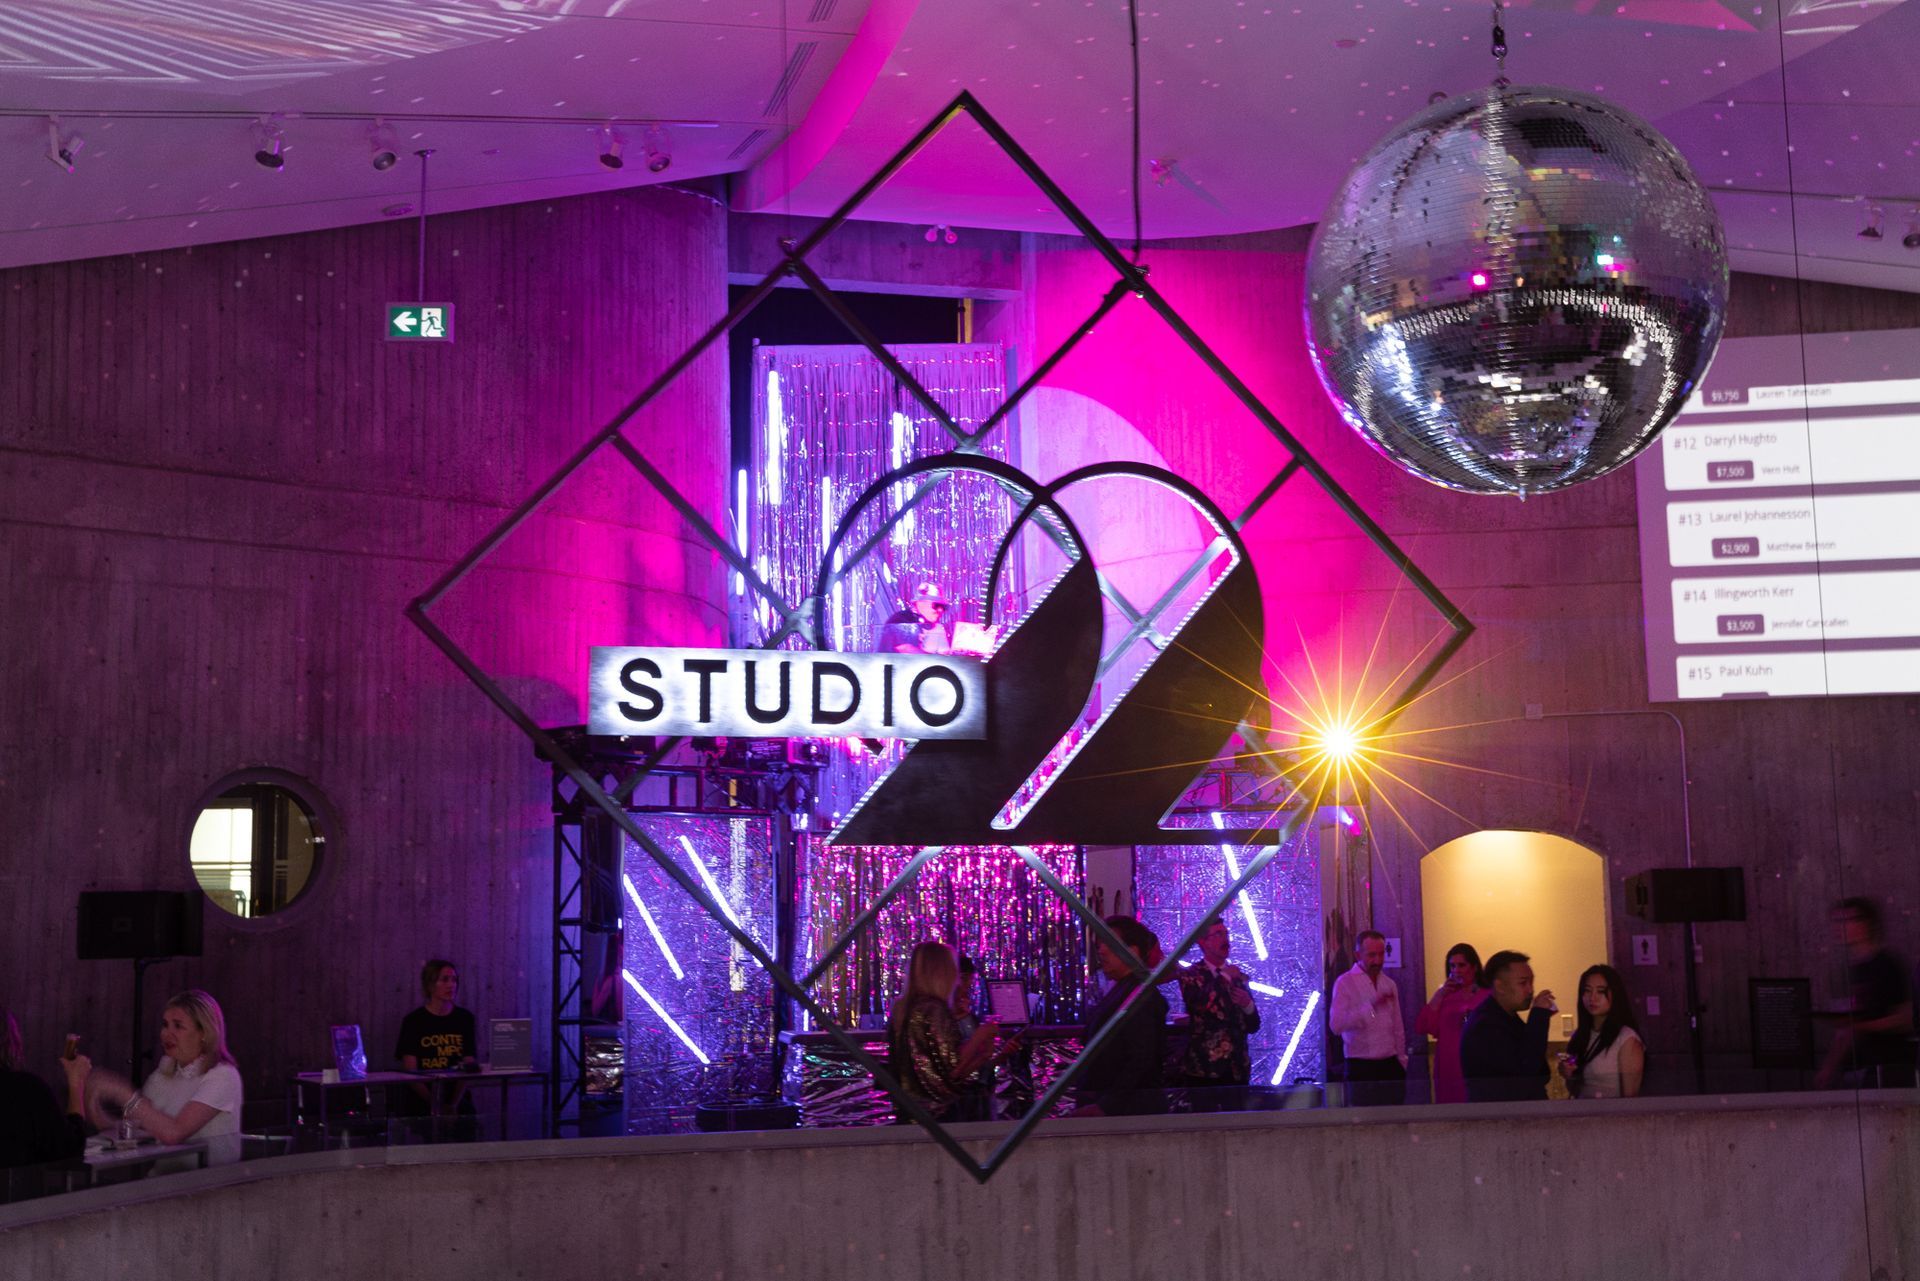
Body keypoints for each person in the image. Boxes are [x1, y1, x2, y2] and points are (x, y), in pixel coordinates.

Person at [74, 990, 245, 1165]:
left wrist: (122, 1092)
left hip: (209, 1180)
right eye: (165, 1025)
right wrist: (99, 1114)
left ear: (204, 1033)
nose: (166, 1034)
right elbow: (142, 1130)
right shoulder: (162, 1074)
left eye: (178, 1026)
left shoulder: (223, 1075)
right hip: (164, 1178)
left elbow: (173, 1133)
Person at [887, 941, 1000, 1122]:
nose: (957, 981)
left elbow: (946, 1071)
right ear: (943, 972)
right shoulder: (934, 1009)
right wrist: (981, 1034)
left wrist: (982, 1055)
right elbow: (953, 1069)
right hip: (938, 1115)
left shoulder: (903, 1009)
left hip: (910, 1112)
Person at [1072, 916, 1169, 1117]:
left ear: (1132, 952)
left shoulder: (1139, 995)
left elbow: (1142, 1059)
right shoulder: (1125, 990)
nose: (1101, 950)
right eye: (1100, 944)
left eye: (1108, 943)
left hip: (1127, 1114)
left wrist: (1106, 1106)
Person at [1815, 897, 1916, 1089]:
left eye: (1846, 920)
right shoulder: (1856, 969)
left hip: (1888, 1066)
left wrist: (1859, 1025)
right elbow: (1850, 1025)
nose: (1839, 927)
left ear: (1867, 924)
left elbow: (1906, 1019)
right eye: (1836, 921)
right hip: (1868, 1066)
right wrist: (1829, 1066)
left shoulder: (1886, 965)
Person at [1165, 918, 1261, 1101]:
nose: (1225, 939)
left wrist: (1248, 1005)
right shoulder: (1191, 975)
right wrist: (1224, 975)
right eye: (1218, 934)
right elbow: (1201, 1005)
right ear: (1203, 942)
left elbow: (1253, 1025)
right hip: (1204, 1069)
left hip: (1237, 1069)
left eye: (1226, 933)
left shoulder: (1238, 977)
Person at [395, 959, 480, 1135]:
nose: (451, 985)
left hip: (455, 1095)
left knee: (468, 1126)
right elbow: (410, 1070)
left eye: (454, 980)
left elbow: (468, 1063)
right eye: (444, 979)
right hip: (423, 1097)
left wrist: (453, 1104)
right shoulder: (414, 1021)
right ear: (430, 984)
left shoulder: (464, 1019)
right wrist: (435, 1103)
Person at [1459, 951, 1557, 1103]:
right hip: (1502, 1114)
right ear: (1500, 986)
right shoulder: (1485, 1026)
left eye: (1531, 982)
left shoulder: (1507, 1018)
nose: (1530, 990)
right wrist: (1538, 1017)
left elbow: (1541, 1071)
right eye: (1523, 983)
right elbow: (1527, 1073)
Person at [0, 1007, 87, 1172]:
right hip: (19, 1188)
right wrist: (76, 1083)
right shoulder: (25, 1089)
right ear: (9, 1042)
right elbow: (69, 1151)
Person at [1329, 930, 1406, 1106]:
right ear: (1358, 955)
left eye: (1381, 954)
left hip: (1390, 1064)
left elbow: (1398, 1026)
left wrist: (1402, 1061)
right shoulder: (1344, 983)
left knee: (1394, 1117)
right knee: (1364, 1118)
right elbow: (1336, 1025)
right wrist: (1371, 1006)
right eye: (1372, 955)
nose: (1377, 960)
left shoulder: (1389, 984)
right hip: (1360, 1066)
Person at [1414, 943, 1490, 1105]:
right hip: (1449, 1064)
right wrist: (1439, 994)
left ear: (1474, 967)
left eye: (1461, 965)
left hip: (1477, 1062)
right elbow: (1422, 1026)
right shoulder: (1446, 997)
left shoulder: (1487, 995)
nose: (1456, 970)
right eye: (1452, 966)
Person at [1560, 964, 1645, 1099]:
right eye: (1587, 991)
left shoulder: (1626, 1038)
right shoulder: (1580, 1035)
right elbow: (1576, 1090)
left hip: (1610, 1110)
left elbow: (1630, 1099)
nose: (1592, 998)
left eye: (1600, 991)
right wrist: (1568, 1074)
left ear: (1615, 994)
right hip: (1582, 1108)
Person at [882, 581, 952, 654]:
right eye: (936, 605)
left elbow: (944, 655)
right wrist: (934, 658)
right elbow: (906, 649)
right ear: (920, 603)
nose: (940, 610)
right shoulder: (901, 619)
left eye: (943, 607)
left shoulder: (937, 628)